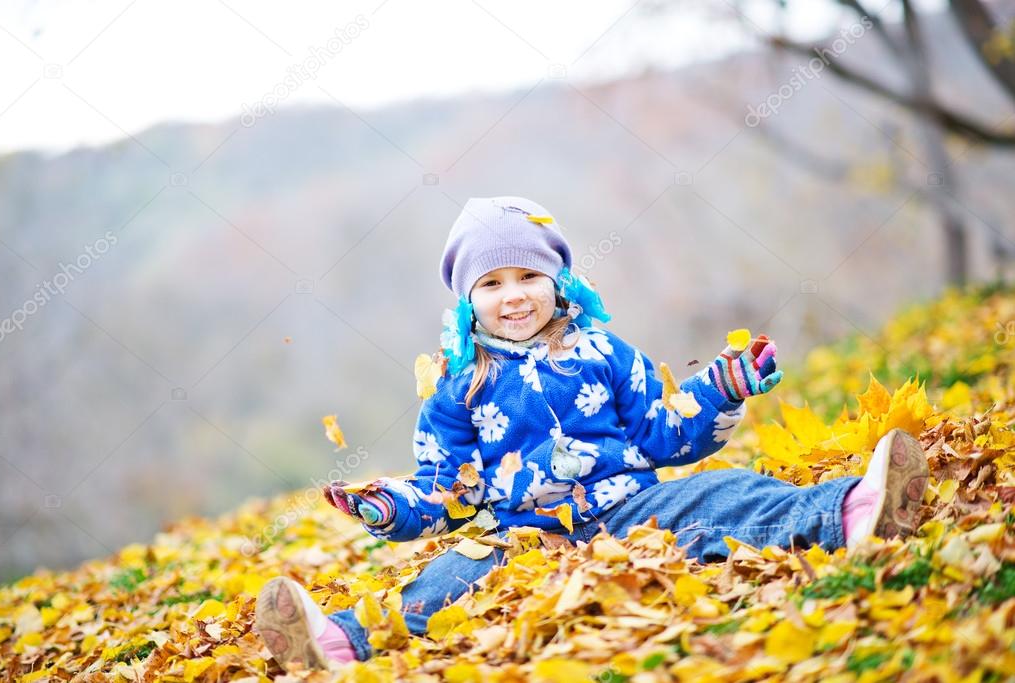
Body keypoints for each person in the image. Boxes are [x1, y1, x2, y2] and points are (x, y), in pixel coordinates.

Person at [253, 196, 929, 672]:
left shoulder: (603, 352)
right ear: (467, 300)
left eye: (528, 276)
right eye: (491, 282)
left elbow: (665, 432)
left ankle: (852, 510)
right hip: (523, 535)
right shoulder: (457, 390)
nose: (513, 294)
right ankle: (335, 642)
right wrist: (390, 505)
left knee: (726, 493)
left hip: (629, 509)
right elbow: (447, 491)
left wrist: (722, 385)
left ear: (558, 281)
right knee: (446, 580)